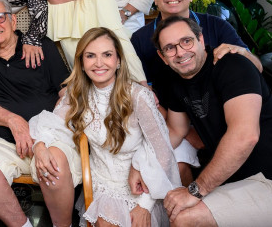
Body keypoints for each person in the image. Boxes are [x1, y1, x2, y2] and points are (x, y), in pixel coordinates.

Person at [152, 16, 272, 227]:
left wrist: (194, 191)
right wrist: (139, 165)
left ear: (201, 39)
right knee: (175, 208)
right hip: (240, 182)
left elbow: (245, 136)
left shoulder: (232, 65)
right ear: (162, 56)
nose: (180, 52)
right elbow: (175, 130)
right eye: (170, 48)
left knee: (184, 219)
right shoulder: (177, 80)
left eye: (186, 41)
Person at [30, 27, 181, 227]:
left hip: (145, 184)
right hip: (102, 184)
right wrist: (40, 146)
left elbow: (163, 152)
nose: (99, 63)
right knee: (105, 223)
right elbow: (52, 124)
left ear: (118, 61)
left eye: (107, 55)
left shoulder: (138, 96)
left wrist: (145, 205)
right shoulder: (76, 93)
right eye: (90, 56)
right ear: (81, 63)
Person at [0, 0, 79, 227]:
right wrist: (13, 120)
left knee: (54, 163)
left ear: (13, 21)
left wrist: (42, 135)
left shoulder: (41, 46)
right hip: (6, 143)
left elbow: (68, 95)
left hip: (50, 138)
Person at [131, 0, 262, 107]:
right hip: (169, 114)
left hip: (221, 110)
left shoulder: (217, 26)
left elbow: (257, 68)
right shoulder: (139, 39)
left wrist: (242, 53)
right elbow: (145, 93)